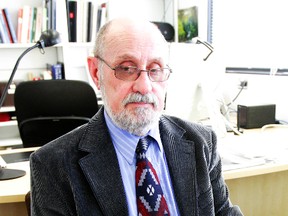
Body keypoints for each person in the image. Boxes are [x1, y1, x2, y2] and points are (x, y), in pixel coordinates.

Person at [30, 18, 243, 215]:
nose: (144, 86)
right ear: (96, 72)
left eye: (155, 69)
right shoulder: (52, 165)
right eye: (126, 68)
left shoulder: (202, 142)